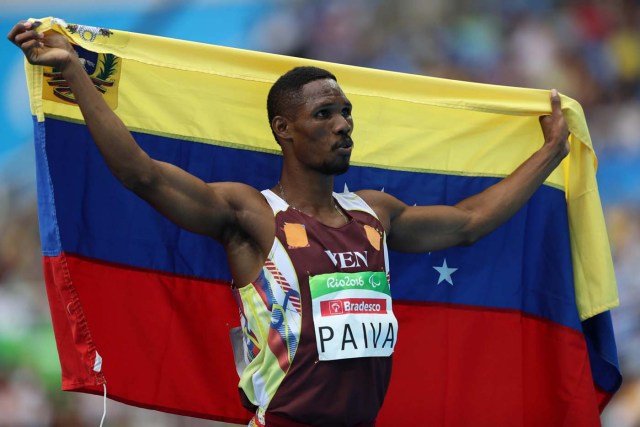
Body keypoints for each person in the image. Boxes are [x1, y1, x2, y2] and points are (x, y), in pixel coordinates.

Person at [8, 20, 569, 427]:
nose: (343, 124)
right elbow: (142, 175)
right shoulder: (251, 214)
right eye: (324, 114)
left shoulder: (374, 214)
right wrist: (77, 76)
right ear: (285, 129)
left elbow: (470, 222)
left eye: (346, 112)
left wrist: (551, 151)